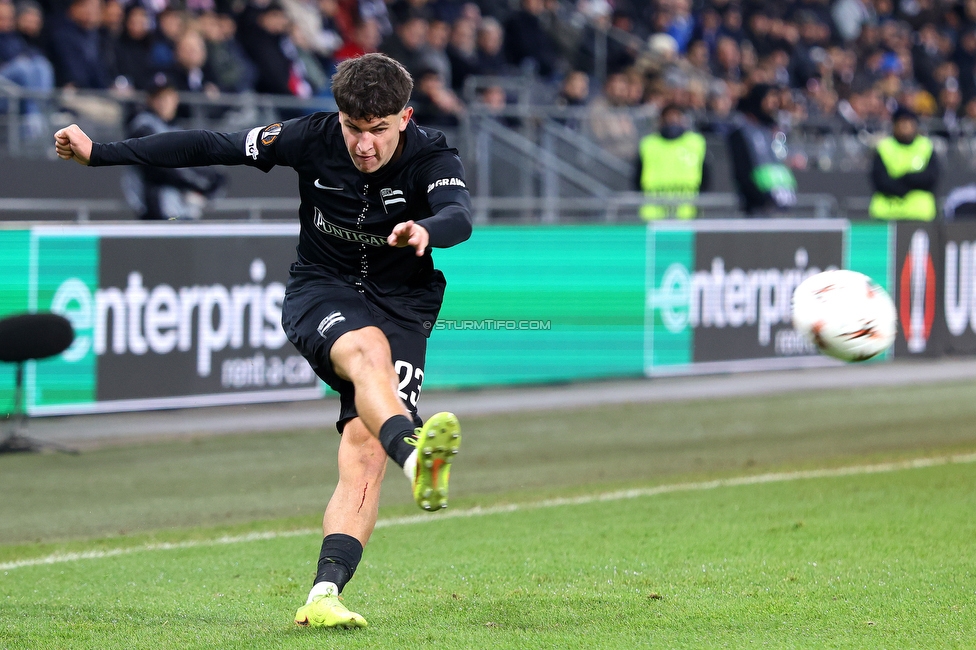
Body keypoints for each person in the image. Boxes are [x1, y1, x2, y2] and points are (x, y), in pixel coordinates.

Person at [54, 53, 471, 629]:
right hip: (322, 291)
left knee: (364, 449)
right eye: (353, 128)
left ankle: (324, 593)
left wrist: (427, 228)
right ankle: (416, 454)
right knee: (367, 351)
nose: (364, 145)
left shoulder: (431, 153)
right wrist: (102, 153)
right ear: (338, 116)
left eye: (378, 130)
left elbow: (459, 214)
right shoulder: (307, 137)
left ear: (405, 116)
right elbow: (209, 144)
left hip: (404, 304)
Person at [120, 73, 224, 220]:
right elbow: (160, 167)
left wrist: (212, 177)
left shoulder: (176, 128)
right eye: (158, 97)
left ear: (176, 98)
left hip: (181, 212)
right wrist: (197, 183)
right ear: (149, 100)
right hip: (155, 212)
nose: (164, 102)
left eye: (168, 96)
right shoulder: (141, 127)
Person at [726, 83, 797, 215]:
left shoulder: (772, 132)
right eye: (769, 100)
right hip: (757, 208)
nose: (773, 105)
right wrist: (761, 200)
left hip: (781, 204)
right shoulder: (742, 132)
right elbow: (743, 173)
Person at [635, 104, 708, 220]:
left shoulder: (695, 143)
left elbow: (705, 177)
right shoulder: (649, 144)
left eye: (676, 118)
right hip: (653, 213)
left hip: (687, 212)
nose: (672, 122)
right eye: (668, 118)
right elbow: (637, 177)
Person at [868, 106, 940, 221]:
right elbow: (880, 180)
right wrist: (907, 184)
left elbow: (931, 177)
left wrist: (905, 178)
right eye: (902, 123)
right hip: (887, 212)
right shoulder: (884, 147)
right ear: (894, 125)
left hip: (919, 214)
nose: (905, 127)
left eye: (909, 123)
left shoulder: (925, 147)